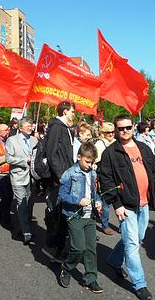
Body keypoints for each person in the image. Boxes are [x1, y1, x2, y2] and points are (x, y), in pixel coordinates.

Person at [100, 114, 155, 300]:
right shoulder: (110, 153)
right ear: (115, 130)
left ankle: (114, 260)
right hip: (126, 206)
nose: (125, 131)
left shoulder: (144, 148)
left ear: (133, 127)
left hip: (144, 204)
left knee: (137, 238)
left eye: (128, 127)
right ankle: (139, 284)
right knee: (132, 245)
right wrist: (117, 204)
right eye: (121, 128)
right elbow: (106, 180)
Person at [58, 141, 104, 294]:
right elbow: (62, 195)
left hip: (90, 216)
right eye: (87, 161)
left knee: (91, 249)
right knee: (78, 248)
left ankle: (90, 279)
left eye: (92, 163)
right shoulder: (70, 173)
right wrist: (77, 201)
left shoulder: (92, 173)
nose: (89, 165)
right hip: (74, 216)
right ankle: (66, 268)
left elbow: (94, 193)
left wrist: (97, 201)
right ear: (79, 157)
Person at [45, 101, 76, 256]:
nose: (73, 114)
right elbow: (51, 154)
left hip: (66, 175)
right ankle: (56, 247)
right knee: (58, 213)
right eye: (72, 112)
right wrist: (61, 175)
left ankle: (60, 243)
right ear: (65, 112)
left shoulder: (65, 128)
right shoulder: (57, 127)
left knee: (64, 212)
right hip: (59, 179)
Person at [6, 117, 38, 245]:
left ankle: (23, 225)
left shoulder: (35, 140)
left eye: (31, 125)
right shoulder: (12, 140)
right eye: (27, 126)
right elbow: (8, 158)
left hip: (32, 177)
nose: (30, 128)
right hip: (18, 176)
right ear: (20, 128)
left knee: (30, 202)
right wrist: (25, 160)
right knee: (22, 202)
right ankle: (26, 232)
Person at [94, 122, 116, 235]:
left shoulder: (116, 142)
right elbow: (95, 162)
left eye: (113, 132)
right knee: (105, 202)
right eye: (108, 132)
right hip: (103, 175)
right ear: (103, 133)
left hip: (115, 175)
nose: (111, 134)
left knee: (118, 200)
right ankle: (105, 225)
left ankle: (123, 225)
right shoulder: (100, 144)